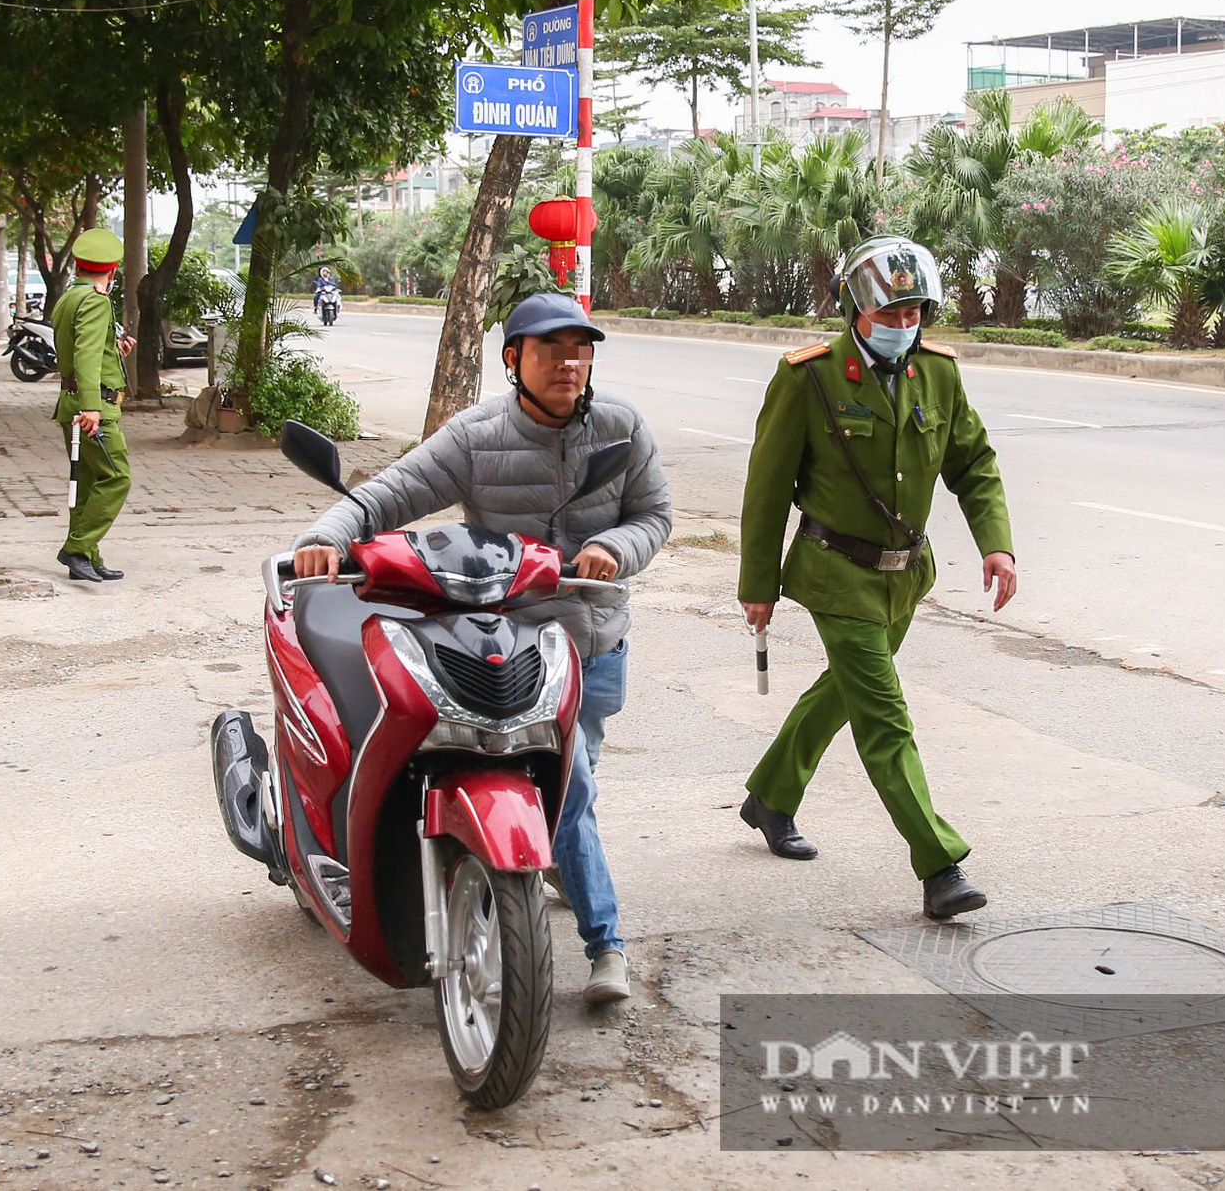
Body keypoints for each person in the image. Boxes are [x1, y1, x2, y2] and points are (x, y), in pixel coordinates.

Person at [293, 293, 672, 1004]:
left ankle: (574, 894)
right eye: (550, 349)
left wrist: (613, 549)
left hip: (592, 641)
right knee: (572, 788)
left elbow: (654, 514)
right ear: (512, 360)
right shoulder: (475, 437)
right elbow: (386, 495)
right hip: (513, 637)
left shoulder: (621, 427)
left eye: (581, 348)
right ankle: (604, 941)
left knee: (572, 782)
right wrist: (325, 538)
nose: (569, 362)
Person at [736, 235, 1016, 921]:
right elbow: (767, 487)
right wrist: (759, 583)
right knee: (885, 717)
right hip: (835, 572)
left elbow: (973, 462)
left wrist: (997, 545)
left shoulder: (939, 373)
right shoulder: (810, 376)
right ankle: (940, 865)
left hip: (904, 576)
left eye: (914, 313)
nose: (903, 326)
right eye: (890, 314)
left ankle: (770, 797)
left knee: (848, 691)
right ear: (857, 311)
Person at [51, 228, 136, 583]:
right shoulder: (97, 301)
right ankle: (76, 548)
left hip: (70, 401)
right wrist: (93, 407)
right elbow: (85, 355)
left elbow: (82, 349)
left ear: (79, 266)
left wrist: (114, 349)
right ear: (112, 270)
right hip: (93, 407)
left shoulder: (68, 298)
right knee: (117, 477)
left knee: (87, 483)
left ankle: (87, 555)